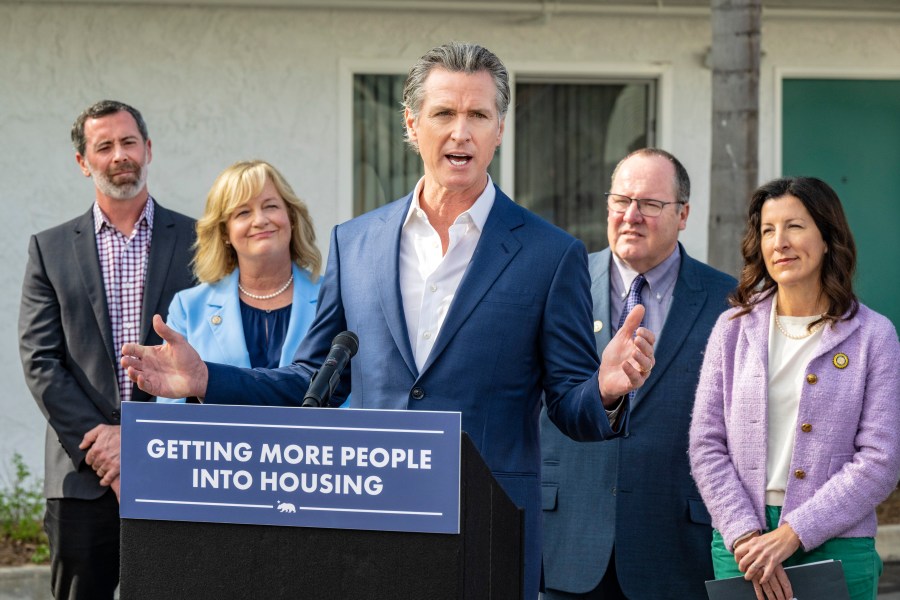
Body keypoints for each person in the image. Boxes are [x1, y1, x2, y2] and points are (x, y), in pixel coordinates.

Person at [119, 42, 656, 600]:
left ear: (500, 128)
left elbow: (569, 404)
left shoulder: (550, 253)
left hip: (489, 531)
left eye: (478, 115)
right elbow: (312, 382)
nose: (461, 133)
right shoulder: (355, 242)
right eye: (443, 113)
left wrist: (605, 389)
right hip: (373, 532)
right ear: (412, 125)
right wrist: (206, 378)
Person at [689, 177, 900, 600]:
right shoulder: (732, 329)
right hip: (742, 545)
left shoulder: (874, 336)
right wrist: (744, 534)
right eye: (768, 230)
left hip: (837, 540)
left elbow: (881, 459)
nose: (780, 242)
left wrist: (793, 533)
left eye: (795, 226)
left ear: (827, 239)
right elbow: (705, 443)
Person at [18, 100, 195, 599]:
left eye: (129, 142)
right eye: (105, 146)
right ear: (83, 161)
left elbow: (209, 351)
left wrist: (140, 439)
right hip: (82, 473)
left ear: (148, 149)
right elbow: (41, 360)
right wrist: (105, 447)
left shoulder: (198, 240)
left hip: (173, 464)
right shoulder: (49, 249)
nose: (119, 155)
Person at [540, 148, 735, 599]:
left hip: (676, 548)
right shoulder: (556, 283)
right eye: (621, 201)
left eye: (649, 204)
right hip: (567, 540)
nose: (631, 216)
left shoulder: (728, 301)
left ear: (683, 214)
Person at [157, 160, 321, 403]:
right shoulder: (188, 308)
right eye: (243, 212)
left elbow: (352, 399)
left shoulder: (332, 299)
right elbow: (171, 415)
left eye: (271, 206)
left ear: (291, 217)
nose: (260, 220)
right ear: (225, 232)